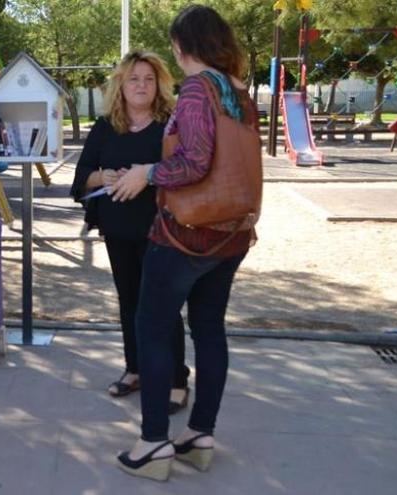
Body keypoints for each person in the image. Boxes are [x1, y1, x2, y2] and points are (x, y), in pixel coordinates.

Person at [110, 5, 258, 481]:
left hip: (186, 235)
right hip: (231, 232)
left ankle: (154, 442)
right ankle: (200, 434)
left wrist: (146, 173)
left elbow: (194, 162)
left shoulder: (197, 89)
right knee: (209, 328)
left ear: (180, 46)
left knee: (152, 329)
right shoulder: (239, 91)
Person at [70, 51, 191, 414]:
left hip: (163, 230)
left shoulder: (173, 123)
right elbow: (82, 176)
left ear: (160, 85)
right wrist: (101, 176)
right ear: (120, 85)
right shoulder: (106, 126)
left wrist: (147, 173)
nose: (141, 85)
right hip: (119, 229)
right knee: (130, 302)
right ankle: (136, 368)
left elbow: (187, 168)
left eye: (149, 79)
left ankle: (176, 379)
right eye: (133, 79)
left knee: (164, 306)